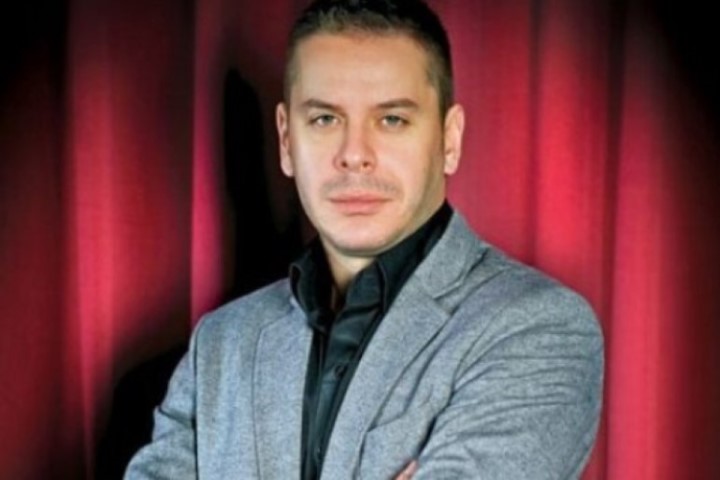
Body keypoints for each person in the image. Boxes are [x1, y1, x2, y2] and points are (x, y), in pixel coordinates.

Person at [125, 0, 604, 478]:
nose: (354, 155)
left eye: (392, 119)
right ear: (287, 140)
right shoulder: (220, 343)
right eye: (325, 119)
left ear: (449, 139)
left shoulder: (538, 328)